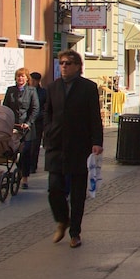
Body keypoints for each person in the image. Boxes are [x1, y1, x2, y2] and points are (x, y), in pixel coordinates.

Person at [44, 49, 103, 249]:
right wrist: (47, 133)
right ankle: (62, 219)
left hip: (79, 145)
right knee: (54, 188)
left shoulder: (88, 88)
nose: (64, 66)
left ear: (78, 66)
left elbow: (95, 117)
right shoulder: (53, 87)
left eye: (68, 63)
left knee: (78, 192)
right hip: (56, 144)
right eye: (61, 63)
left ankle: (75, 232)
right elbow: (48, 114)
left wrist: (97, 141)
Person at [3, 67, 38, 189]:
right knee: (14, 152)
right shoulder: (11, 90)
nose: (20, 78)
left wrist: (28, 122)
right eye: (18, 76)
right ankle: (18, 172)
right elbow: (5, 107)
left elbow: (35, 109)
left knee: (25, 152)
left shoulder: (32, 91)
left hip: (26, 128)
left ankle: (25, 178)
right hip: (14, 126)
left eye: (23, 76)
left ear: (27, 79)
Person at [28, 72, 49, 173]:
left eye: (33, 80)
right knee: (26, 145)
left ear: (37, 81)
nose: (31, 82)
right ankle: (25, 165)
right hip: (27, 121)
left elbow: (46, 107)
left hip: (38, 122)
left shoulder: (43, 92)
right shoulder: (26, 91)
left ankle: (32, 166)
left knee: (35, 145)